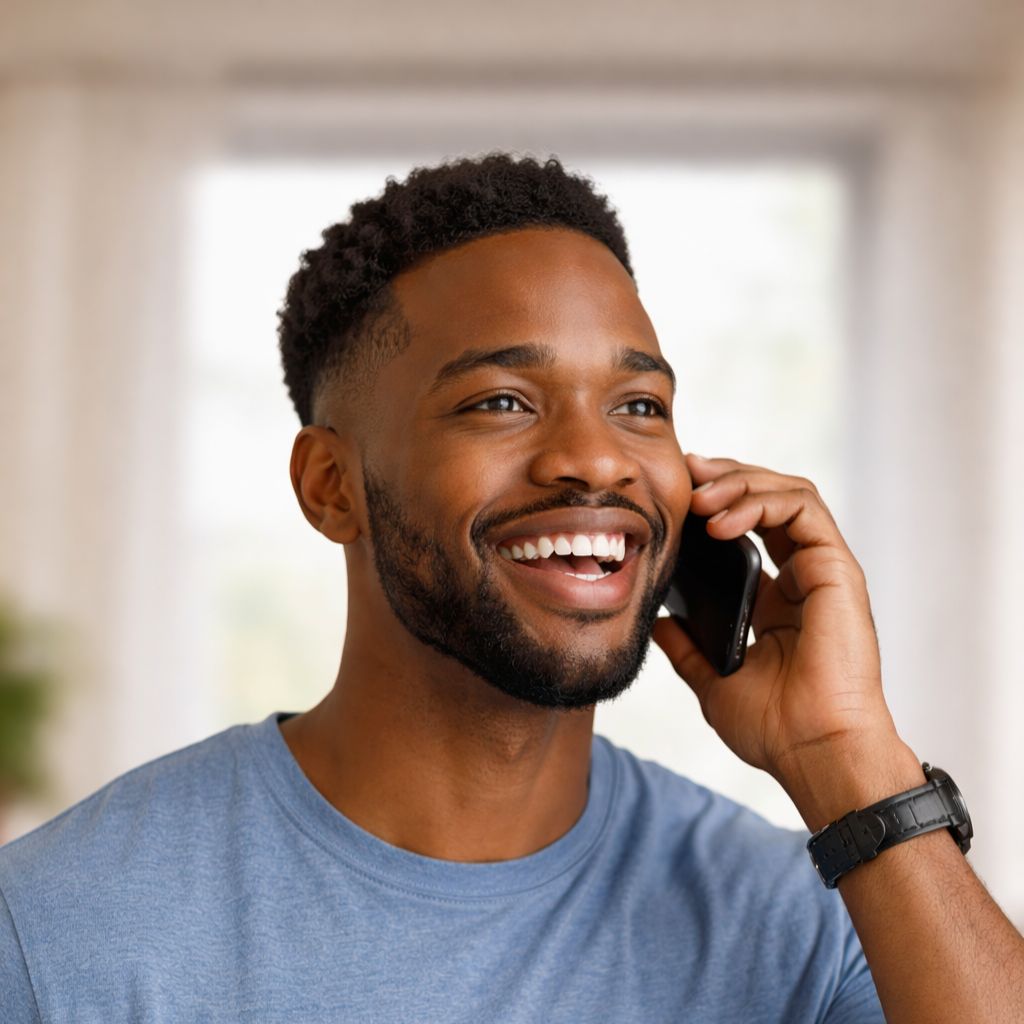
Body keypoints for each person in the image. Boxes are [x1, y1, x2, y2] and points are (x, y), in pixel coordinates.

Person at [1, 154, 1021, 1023]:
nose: (598, 460)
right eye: (500, 401)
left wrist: (851, 761)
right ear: (330, 486)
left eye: (638, 404)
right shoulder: (59, 927)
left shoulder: (809, 919)